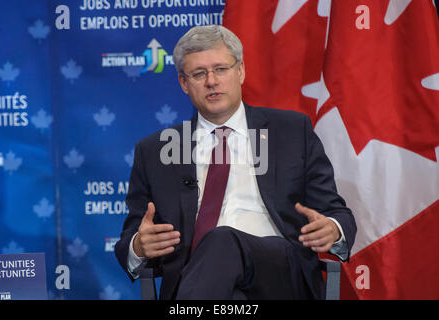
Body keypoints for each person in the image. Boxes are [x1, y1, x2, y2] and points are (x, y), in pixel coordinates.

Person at [115, 25, 357, 300]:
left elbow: (338, 214)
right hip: (203, 278)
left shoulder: (291, 131)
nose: (211, 81)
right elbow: (129, 241)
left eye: (221, 69)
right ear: (183, 83)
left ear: (240, 71)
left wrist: (332, 230)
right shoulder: (155, 151)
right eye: (198, 74)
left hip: (281, 275)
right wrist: (138, 246)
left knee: (222, 239)